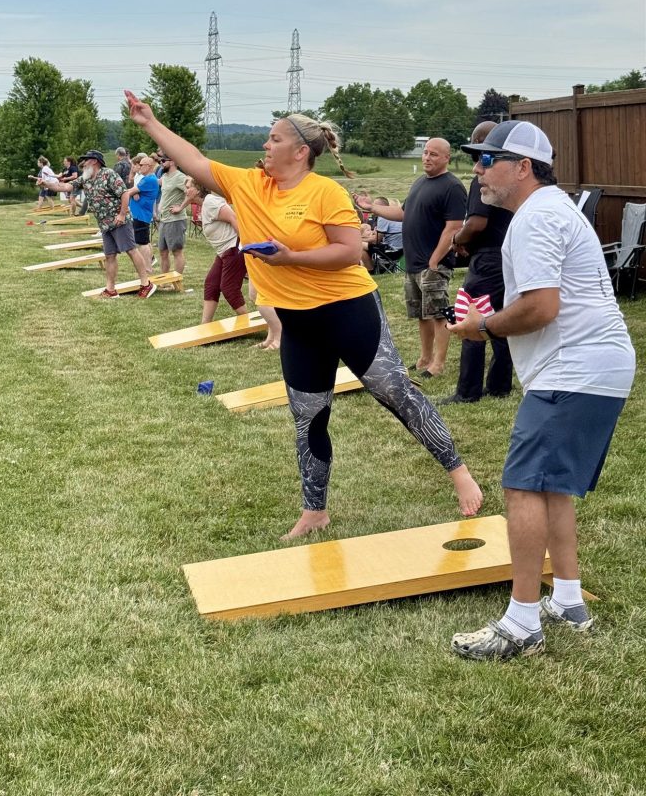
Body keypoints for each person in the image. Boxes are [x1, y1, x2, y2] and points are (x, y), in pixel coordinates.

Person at [125, 91, 483, 539]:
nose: (265, 146)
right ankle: (315, 510)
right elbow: (193, 158)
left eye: (273, 139)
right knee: (308, 415)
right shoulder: (247, 185)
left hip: (348, 311)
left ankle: (458, 471)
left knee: (394, 392)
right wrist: (150, 123)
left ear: (299, 152)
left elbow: (351, 252)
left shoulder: (324, 192)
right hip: (298, 322)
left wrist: (290, 257)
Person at [447, 121, 635, 661]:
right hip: (595, 365)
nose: (478, 171)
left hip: (573, 368)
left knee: (523, 486)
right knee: (551, 488)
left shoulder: (534, 218)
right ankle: (569, 601)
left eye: (488, 160)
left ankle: (522, 622)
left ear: (523, 166)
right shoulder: (552, 210)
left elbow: (540, 307)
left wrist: (479, 329)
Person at [356, 139, 466, 377]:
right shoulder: (420, 183)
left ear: (447, 158)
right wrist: (371, 208)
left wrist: (436, 260)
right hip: (414, 263)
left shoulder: (452, 187)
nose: (427, 157)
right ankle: (424, 359)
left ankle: (438, 363)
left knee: (438, 313)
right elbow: (403, 214)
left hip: (433, 264)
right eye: (425, 153)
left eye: (434, 154)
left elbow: (454, 227)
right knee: (421, 315)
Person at [439, 122, 514, 405]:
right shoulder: (508, 180)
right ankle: (499, 385)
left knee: (471, 317)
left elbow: (477, 222)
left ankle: (467, 391)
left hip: (487, 259)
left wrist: (457, 239)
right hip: (507, 255)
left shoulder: (482, 179)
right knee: (499, 318)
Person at [43, 149, 157, 299]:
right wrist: (46, 183)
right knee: (109, 256)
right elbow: (65, 187)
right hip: (104, 224)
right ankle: (111, 290)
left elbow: (124, 193)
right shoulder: (85, 178)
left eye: (86, 160)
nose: (83, 163)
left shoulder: (108, 174)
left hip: (118, 221)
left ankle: (146, 284)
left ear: (95, 161)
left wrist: (122, 214)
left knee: (131, 250)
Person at [185, 177, 249, 322]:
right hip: (224, 252)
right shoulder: (204, 204)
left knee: (229, 288)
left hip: (234, 247)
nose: (186, 190)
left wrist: (246, 244)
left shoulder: (211, 202)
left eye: (188, 187)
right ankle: (205, 324)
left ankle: (247, 321)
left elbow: (234, 218)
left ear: (198, 189)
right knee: (211, 284)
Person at [128, 154, 160, 271]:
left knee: (143, 243)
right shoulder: (147, 179)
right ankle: (148, 265)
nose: (139, 167)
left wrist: (132, 192)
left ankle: (147, 267)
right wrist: (134, 192)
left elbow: (130, 192)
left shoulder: (149, 179)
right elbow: (133, 192)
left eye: (141, 165)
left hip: (141, 215)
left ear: (149, 166)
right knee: (144, 241)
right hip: (140, 214)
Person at [158, 154, 188, 275]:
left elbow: (191, 192)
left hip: (175, 220)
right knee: (163, 252)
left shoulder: (180, 177)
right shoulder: (164, 176)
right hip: (164, 219)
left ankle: (177, 280)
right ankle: (165, 281)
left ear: (172, 162)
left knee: (176, 251)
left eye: (163, 160)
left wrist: (180, 207)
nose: (161, 163)